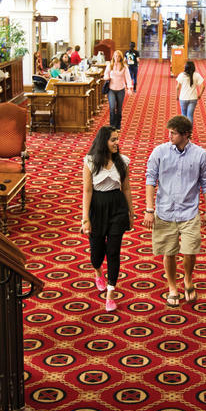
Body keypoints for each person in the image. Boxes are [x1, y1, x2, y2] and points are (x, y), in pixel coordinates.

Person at [143, 115, 206, 308]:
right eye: (169, 132)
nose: (169, 136)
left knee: (190, 251)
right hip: (165, 210)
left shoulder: (200, 154)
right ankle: (172, 287)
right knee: (169, 252)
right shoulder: (160, 152)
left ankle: (188, 279)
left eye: (173, 133)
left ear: (185, 135)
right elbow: (150, 181)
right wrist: (149, 210)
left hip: (190, 211)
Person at [82, 126, 136, 312]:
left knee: (113, 251)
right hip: (97, 208)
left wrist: (131, 213)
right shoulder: (90, 161)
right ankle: (98, 272)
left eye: (117, 139)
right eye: (113, 139)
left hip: (117, 207)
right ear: (103, 141)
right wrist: (85, 218)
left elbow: (126, 188)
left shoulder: (122, 161)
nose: (117, 143)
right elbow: (87, 191)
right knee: (96, 253)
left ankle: (111, 292)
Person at [103, 49, 133, 129]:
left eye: (118, 56)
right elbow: (105, 74)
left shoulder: (124, 67)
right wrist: (107, 77)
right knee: (112, 107)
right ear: (113, 57)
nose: (117, 58)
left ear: (121, 57)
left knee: (119, 109)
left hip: (120, 90)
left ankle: (118, 124)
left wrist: (129, 88)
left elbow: (128, 78)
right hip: (111, 89)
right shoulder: (110, 65)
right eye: (115, 56)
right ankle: (112, 126)